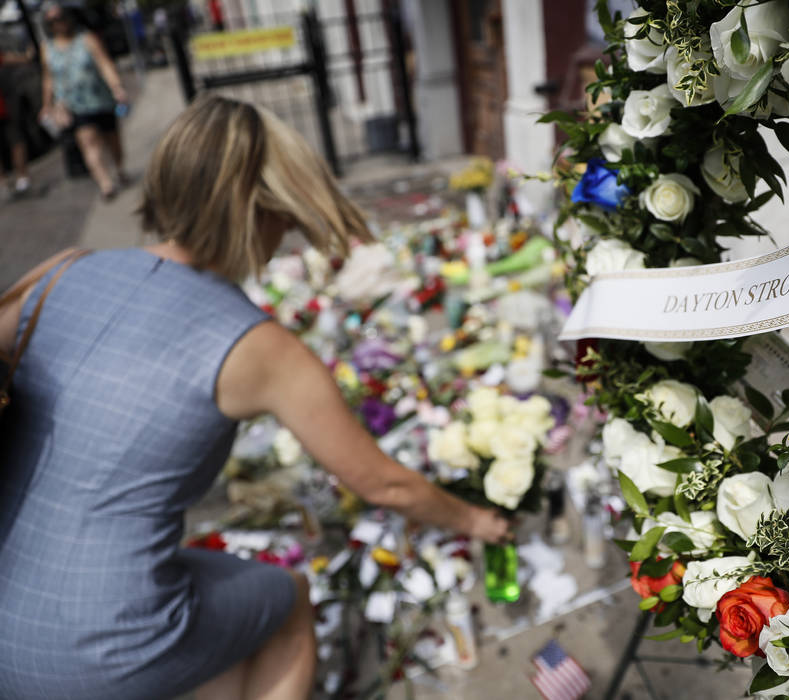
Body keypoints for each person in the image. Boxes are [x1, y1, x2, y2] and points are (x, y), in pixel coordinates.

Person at [0, 95, 511, 700]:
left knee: (211, 614)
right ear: (258, 211)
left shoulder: (62, 270)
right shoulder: (259, 347)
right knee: (288, 600)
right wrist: (477, 519)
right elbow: (385, 485)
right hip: (102, 644)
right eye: (286, 216)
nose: (287, 235)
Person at [38, 1, 128, 200]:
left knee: (113, 141)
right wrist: (46, 105)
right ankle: (105, 183)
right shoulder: (47, 48)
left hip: (100, 100)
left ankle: (119, 169)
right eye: (52, 21)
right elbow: (48, 78)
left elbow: (104, 63)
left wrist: (117, 87)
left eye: (60, 18)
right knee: (88, 143)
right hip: (73, 106)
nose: (58, 24)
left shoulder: (86, 39)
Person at [0, 43, 34, 197]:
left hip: (6, 104)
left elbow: (5, 58)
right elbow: (6, 58)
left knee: (16, 139)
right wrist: (25, 57)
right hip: (6, 103)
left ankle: (19, 177)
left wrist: (25, 58)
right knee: (16, 139)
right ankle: (15, 178)